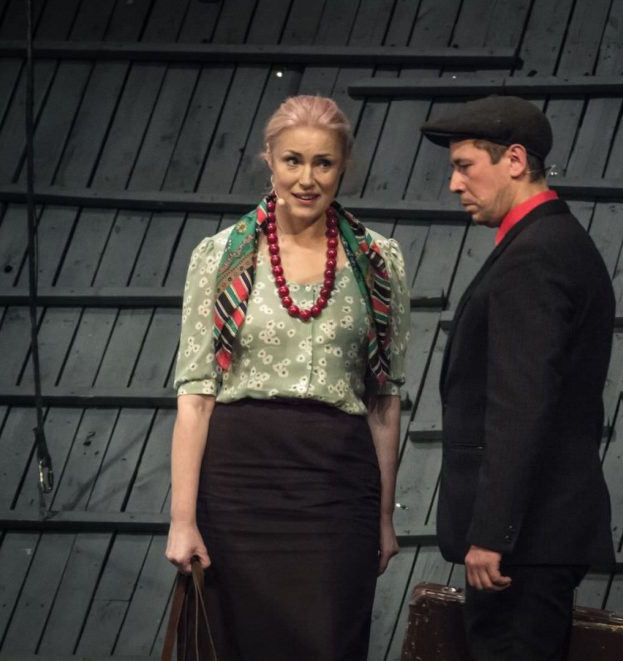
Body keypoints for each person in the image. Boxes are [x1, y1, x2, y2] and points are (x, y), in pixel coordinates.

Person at [165, 95, 410, 661]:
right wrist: (182, 520)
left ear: (343, 167)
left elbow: (385, 398)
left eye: (323, 163)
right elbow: (196, 396)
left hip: (335, 487)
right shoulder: (221, 255)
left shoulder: (378, 261)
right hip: (239, 484)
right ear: (269, 160)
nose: (307, 178)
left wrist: (383, 518)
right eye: (293, 160)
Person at [420, 95, 616, 660]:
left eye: (465, 166)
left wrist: (493, 533)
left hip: (523, 542)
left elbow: (521, 405)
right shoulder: (551, 242)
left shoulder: (536, 255)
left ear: (513, 159)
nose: (454, 184)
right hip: (535, 536)